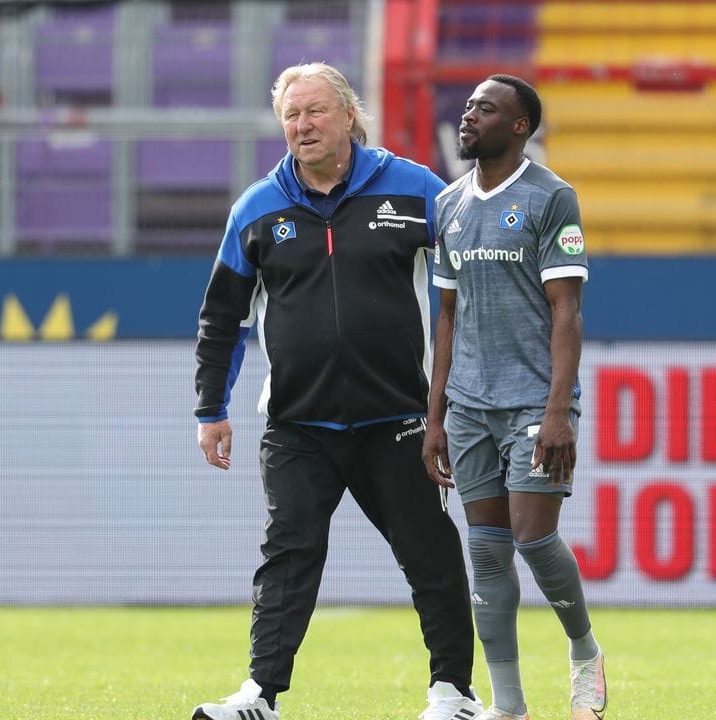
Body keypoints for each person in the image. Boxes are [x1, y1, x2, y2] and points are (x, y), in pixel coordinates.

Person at [191, 62, 481, 720]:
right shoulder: (256, 209)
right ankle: (259, 697)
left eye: (316, 111)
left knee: (431, 555)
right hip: (297, 425)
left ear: (349, 115)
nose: (303, 126)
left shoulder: (416, 189)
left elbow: (471, 282)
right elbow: (222, 319)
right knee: (288, 558)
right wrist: (211, 409)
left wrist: (462, 392)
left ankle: (453, 694)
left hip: (400, 421)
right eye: (291, 116)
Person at [422, 74, 607, 720]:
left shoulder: (552, 199)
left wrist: (558, 412)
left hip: (534, 404)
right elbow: (444, 317)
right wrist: (435, 416)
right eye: (469, 106)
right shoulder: (446, 204)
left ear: (519, 126)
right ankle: (508, 706)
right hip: (468, 404)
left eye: (486, 109)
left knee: (531, 539)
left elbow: (568, 314)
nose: (469, 116)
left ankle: (584, 650)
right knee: (486, 553)